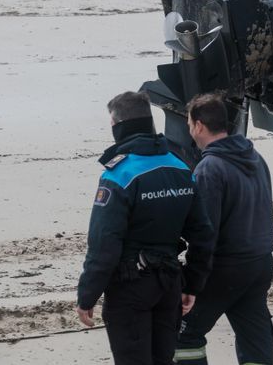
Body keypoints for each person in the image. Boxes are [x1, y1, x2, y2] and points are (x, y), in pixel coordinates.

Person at [76, 91, 215, 365]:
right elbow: (203, 235)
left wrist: (87, 295)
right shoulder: (180, 168)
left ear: (117, 126)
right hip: (169, 284)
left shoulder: (119, 175)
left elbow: (104, 245)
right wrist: (193, 284)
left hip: (130, 287)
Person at [174, 93, 273, 365]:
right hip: (260, 264)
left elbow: (204, 234)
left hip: (225, 269)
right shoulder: (255, 157)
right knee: (255, 337)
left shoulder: (209, 169)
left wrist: (191, 283)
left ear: (198, 126)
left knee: (183, 336)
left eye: (188, 123)